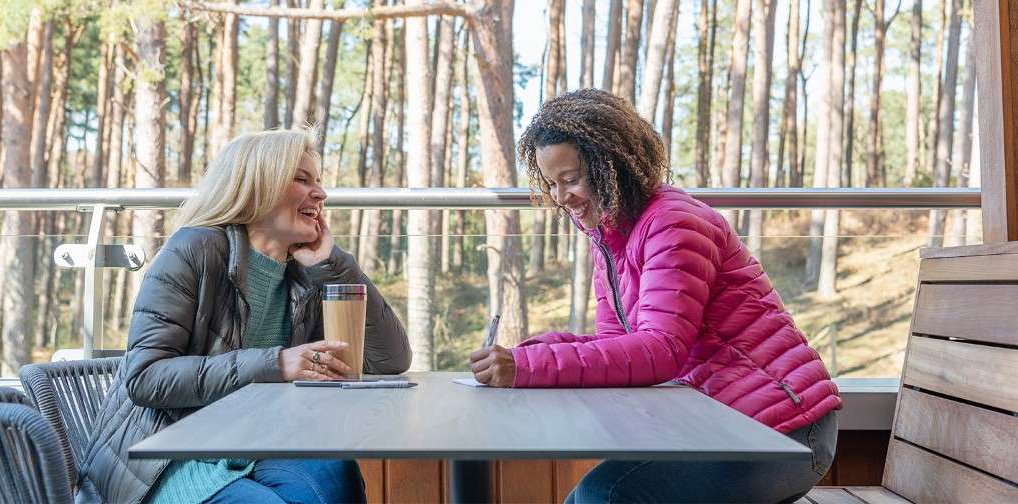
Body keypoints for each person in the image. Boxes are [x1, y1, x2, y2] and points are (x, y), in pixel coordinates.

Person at [471, 89, 841, 504]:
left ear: (610, 166)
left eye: (571, 180)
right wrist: (534, 351)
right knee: (585, 498)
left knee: (603, 495)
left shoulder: (674, 222)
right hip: (730, 422)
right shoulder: (612, 237)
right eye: (552, 183)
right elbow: (619, 347)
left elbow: (661, 349)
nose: (560, 198)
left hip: (785, 433)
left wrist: (526, 366)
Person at [82, 128, 412, 504]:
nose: (320, 194)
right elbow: (146, 378)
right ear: (258, 186)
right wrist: (277, 363)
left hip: (256, 445)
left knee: (337, 471)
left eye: (318, 183)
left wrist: (332, 264)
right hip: (167, 457)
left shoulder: (305, 273)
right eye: (302, 180)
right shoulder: (193, 249)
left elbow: (391, 359)